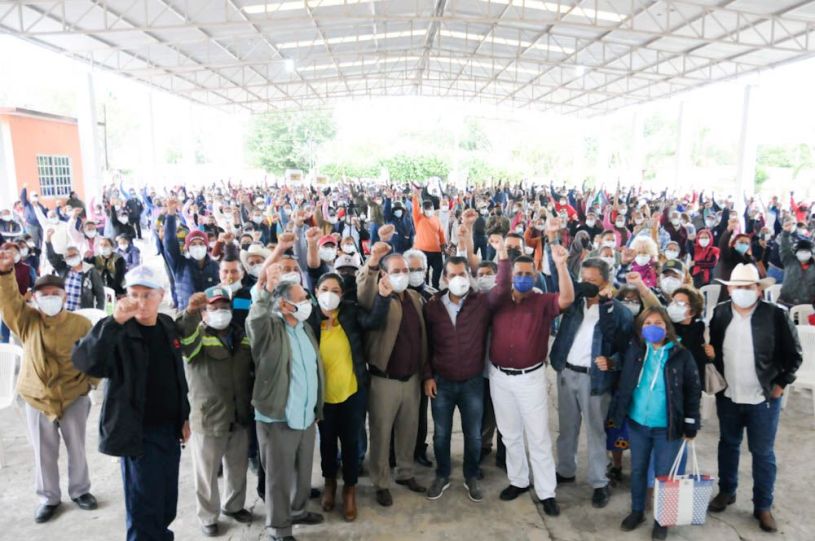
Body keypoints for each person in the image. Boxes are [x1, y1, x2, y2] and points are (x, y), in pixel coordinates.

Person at [72, 265, 190, 541]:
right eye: (134, 294)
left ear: (161, 295)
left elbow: (176, 377)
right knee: (143, 507)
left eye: (147, 295)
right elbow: (87, 362)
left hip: (169, 431)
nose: (140, 302)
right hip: (138, 434)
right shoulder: (117, 330)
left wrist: (183, 417)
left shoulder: (166, 325)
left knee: (165, 501)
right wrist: (114, 322)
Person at [0, 252, 98, 523]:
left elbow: (95, 356)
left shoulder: (81, 323)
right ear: (35, 297)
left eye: (56, 293)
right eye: (44, 294)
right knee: (43, 451)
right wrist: (5, 273)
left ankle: (80, 490)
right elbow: (8, 301)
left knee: (77, 447)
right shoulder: (26, 320)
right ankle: (49, 498)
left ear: (65, 296)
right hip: (37, 397)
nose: (50, 298)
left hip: (73, 395)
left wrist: (90, 384)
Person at [707, 263, 802, 533]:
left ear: (759, 290)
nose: (743, 291)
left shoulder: (775, 315)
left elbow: (794, 355)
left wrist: (780, 384)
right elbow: (714, 350)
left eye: (748, 287)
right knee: (728, 444)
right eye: (737, 287)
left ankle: (763, 505)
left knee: (762, 452)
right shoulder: (720, 313)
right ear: (729, 290)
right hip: (729, 395)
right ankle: (727, 490)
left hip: (763, 398)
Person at [488, 217, 574, 517]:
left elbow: (567, 299)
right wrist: (500, 253)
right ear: (511, 276)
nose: (523, 277)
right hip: (500, 377)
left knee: (538, 436)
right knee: (510, 434)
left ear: (535, 276)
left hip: (531, 379)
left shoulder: (542, 301)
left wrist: (561, 265)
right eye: (519, 273)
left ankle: (546, 491)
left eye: (528, 273)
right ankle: (519, 480)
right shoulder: (498, 301)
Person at [423, 239, 511, 502]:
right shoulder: (433, 307)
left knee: (473, 435)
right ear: (444, 278)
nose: (458, 279)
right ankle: (442, 475)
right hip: (441, 381)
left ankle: (471, 476)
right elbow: (426, 344)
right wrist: (428, 376)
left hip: (472, 381)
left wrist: (502, 253)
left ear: (469, 277)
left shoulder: (481, 303)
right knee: (441, 434)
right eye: (453, 275)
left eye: (462, 274)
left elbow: (503, 288)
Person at [246, 265, 325, 541]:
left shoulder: (304, 329)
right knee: (278, 478)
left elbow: (312, 370)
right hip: (278, 417)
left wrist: (316, 407)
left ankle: (298, 510)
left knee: (302, 471)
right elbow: (255, 319)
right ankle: (279, 528)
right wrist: (266, 290)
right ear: (284, 304)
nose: (308, 302)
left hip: (305, 415)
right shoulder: (269, 330)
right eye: (302, 298)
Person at [610, 306, 701, 540]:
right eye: (647, 323)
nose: (653, 327)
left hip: (667, 427)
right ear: (641, 329)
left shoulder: (681, 355)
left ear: (667, 327)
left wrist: (691, 423)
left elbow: (693, 391)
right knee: (638, 470)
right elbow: (625, 381)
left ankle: (663, 520)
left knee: (664, 475)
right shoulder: (636, 350)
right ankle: (637, 511)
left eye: (658, 323)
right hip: (637, 424)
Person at [550, 258, 634, 508]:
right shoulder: (573, 304)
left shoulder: (618, 312)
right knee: (567, 428)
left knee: (596, 431)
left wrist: (612, 362)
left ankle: (599, 481)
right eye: (583, 279)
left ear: (605, 282)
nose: (586, 284)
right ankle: (566, 470)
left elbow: (628, 350)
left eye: (592, 281)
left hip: (595, 379)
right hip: (567, 372)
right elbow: (557, 283)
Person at [307, 272, 390, 521]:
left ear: (342, 295)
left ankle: (350, 489)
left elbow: (373, 321)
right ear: (316, 292)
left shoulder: (350, 313)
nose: (329, 295)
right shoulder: (308, 318)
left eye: (335, 290)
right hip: (323, 396)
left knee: (351, 443)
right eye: (324, 289)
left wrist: (383, 297)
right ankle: (330, 483)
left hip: (352, 392)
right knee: (327, 443)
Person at [356, 242, 429, 507]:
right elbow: (364, 287)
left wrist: (425, 373)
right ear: (384, 275)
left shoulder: (415, 298)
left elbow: (423, 337)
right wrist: (374, 260)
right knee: (381, 432)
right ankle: (381, 482)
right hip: (384, 380)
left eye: (405, 270)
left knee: (408, 430)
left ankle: (405, 473)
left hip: (411, 379)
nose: (402, 275)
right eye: (396, 271)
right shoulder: (377, 297)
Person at [179, 286, 254, 537]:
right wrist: (189, 313)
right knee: (207, 472)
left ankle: (234, 506)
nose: (220, 312)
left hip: (239, 413)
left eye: (224, 307)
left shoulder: (241, 336)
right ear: (204, 312)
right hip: (209, 416)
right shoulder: (196, 336)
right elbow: (185, 340)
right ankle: (208, 516)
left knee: (237, 466)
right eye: (213, 307)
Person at [162, 199, 220, 310]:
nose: (198, 247)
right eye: (193, 244)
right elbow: (169, 241)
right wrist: (171, 214)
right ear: (188, 247)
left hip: (210, 313)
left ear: (206, 247)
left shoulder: (214, 265)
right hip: (187, 313)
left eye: (201, 244)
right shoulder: (180, 263)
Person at [45, 233, 105, 311]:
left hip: (82, 312)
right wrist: (48, 240)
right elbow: (51, 257)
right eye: (69, 257)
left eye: (74, 255)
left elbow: (100, 294)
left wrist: (98, 312)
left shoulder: (90, 271)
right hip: (64, 311)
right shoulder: (63, 270)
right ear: (65, 260)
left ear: (79, 255)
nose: (72, 257)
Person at [412, 188, 446, 289]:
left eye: (430, 208)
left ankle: (435, 286)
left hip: (436, 251)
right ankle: (425, 288)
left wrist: (443, 244)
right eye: (426, 208)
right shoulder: (418, 218)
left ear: (433, 208)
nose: (428, 210)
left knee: (438, 269)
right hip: (422, 251)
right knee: (424, 272)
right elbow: (415, 208)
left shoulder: (436, 219)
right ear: (423, 209)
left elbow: (441, 233)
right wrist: (416, 197)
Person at [777, 221, 815, 307]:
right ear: (796, 252)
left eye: (806, 251)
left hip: (805, 306)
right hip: (784, 302)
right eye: (801, 251)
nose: (803, 253)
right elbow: (784, 248)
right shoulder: (789, 260)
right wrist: (786, 233)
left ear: (811, 253)